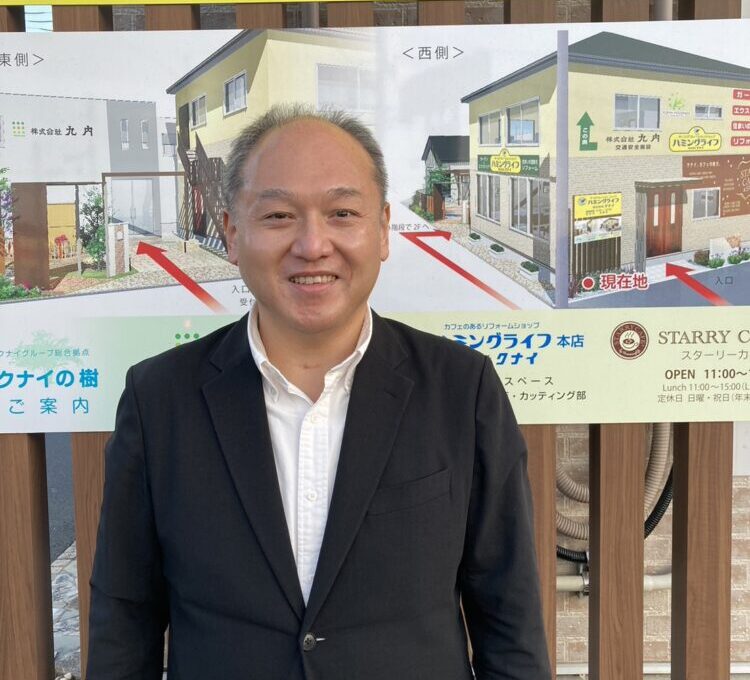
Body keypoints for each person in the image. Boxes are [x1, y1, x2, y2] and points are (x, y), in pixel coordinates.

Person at [87, 103, 551, 680]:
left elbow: (509, 618)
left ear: (383, 229)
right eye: (279, 215)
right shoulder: (159, 399)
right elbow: (124, 619)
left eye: (342, 213)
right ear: (232, 233)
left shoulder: (461, 389)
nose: (312, 244)